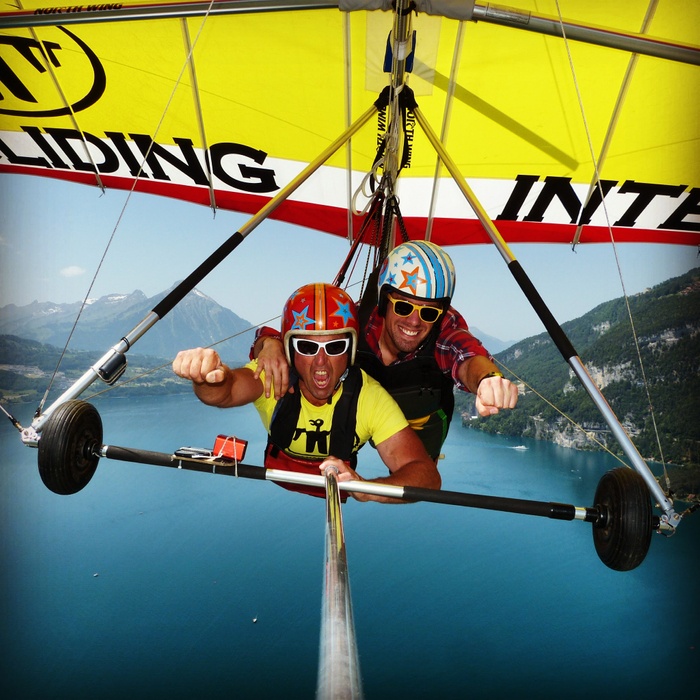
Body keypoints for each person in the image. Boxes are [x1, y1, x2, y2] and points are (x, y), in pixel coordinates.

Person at [173, 282, 440, 503]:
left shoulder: (368, 397)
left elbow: (426, 475)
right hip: (282, 474)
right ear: (289, 351)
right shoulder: (276, 375)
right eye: (307, 347)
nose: (321, 362)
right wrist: (207, 377)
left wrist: (366, 489)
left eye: (335, 347)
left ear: (350, 351)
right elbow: (224, 393)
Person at [252, 241, 518, 461]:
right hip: (362, 412)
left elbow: (465, 353)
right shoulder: (355, 322)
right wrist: (270, 343)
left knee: (416, 472)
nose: (414, 321)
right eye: (403, 306)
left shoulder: (443, 328)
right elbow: (304, 336)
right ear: (384, 301)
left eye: (428, 312)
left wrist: (486, 379)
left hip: (419, 417)